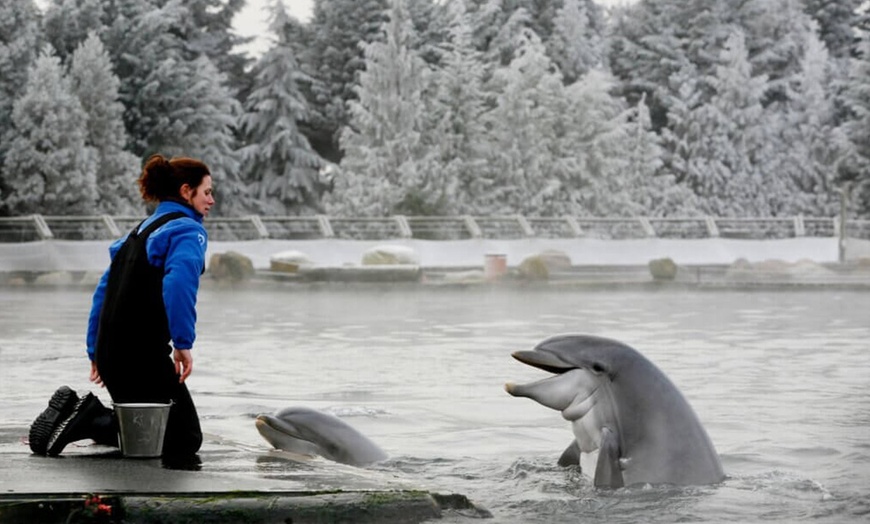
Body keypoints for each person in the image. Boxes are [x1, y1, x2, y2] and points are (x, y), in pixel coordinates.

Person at [28, 153, 214, 458]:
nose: (212, 200)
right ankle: (90, 417)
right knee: (184, 439)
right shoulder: (186, 230)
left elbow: (102, 294)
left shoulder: (139, 232)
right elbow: (179, 284)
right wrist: (183, 343)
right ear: (185, 191)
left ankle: (85, 418)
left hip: (113, 353)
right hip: (141, 356)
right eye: (207, 192)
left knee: (150, 431)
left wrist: (95, 351)